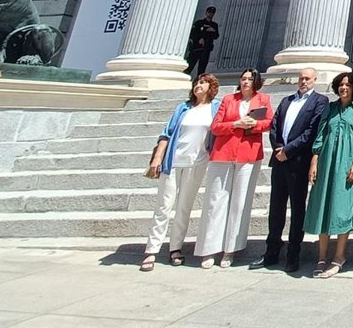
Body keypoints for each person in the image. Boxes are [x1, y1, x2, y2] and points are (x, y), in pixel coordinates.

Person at [140, 73, 221, 271]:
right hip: (173, 161)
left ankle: (175, 248)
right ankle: (152, 250)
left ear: (211, 87)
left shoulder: (216, 107)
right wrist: (158, 158)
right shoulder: (184, 107)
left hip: (197, 163)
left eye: (203, 83)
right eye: (197, 82)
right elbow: (167, 133)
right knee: (164, 205)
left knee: (184, 207)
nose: (198, 85)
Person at [252, 67, 327, 272]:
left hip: (299, 162)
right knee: (276, 208)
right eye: (301, 78)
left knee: (297, 208)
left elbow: (312, 131)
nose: (303, 81)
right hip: (279, 160)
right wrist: (279, 148)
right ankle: (271, 251)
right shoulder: (286, 101)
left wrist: (289, 150)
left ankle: (294, 253)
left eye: (307, 78)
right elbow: (275, 125)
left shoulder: (320, 101)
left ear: (315, 80)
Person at [196, 68, 272, 268]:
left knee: (240, 203)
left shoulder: (263, 99)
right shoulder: (229, 99)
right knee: (215, 201)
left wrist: (254, 124)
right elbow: (215, 126)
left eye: (250, 79)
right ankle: (209, 249)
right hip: (223, 153)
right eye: (243, 78)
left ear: (256, 82)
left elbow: (269, 123)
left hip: (248, 154)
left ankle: (230, 249)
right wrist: (236, 124)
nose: (246, 82)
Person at [304, 71, 353, 278]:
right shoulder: (330, 108)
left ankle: (339, 256)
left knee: (342, 208)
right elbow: (321, 134)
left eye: (348, 85)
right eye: (341, 84)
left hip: (346, 162)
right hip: (326, 161)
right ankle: (322, 257)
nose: (344, 88)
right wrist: (314, 161)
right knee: (322, 206)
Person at [183, 6, 219, 77]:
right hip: (196, 48)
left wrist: (213, 30)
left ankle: (199, 81)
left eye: (212, 13)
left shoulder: (214, 25)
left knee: (202, 69)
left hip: (206, 49)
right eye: (209, 12)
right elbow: (192, 34)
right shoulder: (199, 23)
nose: (210, 14)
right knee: (190, 66)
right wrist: (199, 39)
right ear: (206, 13)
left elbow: (216, 36)